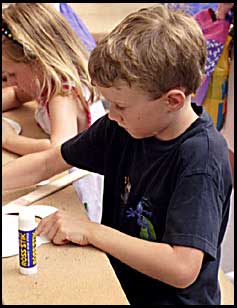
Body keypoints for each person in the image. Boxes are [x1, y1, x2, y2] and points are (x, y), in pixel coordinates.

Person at [3, 4, 232, 305]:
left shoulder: (201, 159)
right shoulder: (123, 127)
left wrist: (91, 232)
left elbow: (182, 267)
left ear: (172, 100)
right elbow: (49, 161)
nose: (111, 115)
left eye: (120, 105)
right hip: (121, 287)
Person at [2, 3, 105, 223]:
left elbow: (57, 149)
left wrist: (9, 139)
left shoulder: (62, 92)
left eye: (11, 74)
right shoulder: (43, 79)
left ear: (36, 60)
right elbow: (16, 95)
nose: (9, 82)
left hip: (76, 186)